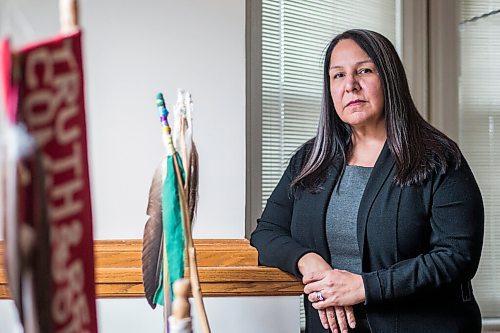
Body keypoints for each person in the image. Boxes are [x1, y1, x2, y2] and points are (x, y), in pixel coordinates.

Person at [250, 29, 484, 333]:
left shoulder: (438, 157)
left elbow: (457, 256)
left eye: (364, 70)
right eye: (338, 75)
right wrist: (309, 262)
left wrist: (364, 287)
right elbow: (267, 232)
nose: (351, 85)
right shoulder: (310, 159)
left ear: (389, 78)